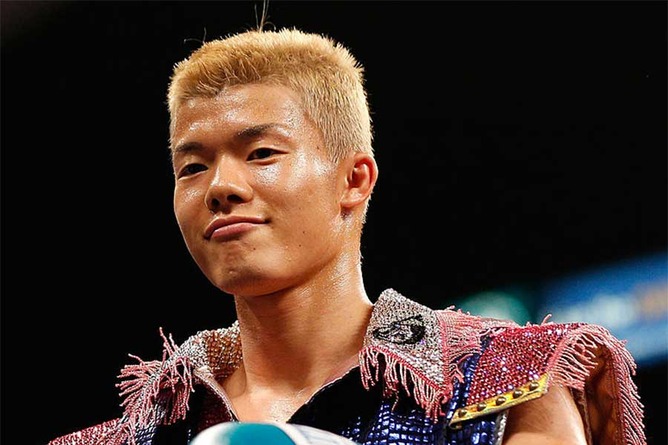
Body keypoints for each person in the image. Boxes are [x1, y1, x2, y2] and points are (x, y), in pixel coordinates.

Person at [47, 24, 646, 445]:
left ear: (353, 180)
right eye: (192, 167)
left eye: (261, 153)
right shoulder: (129, 438)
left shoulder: (511, 379)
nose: (220, 187)